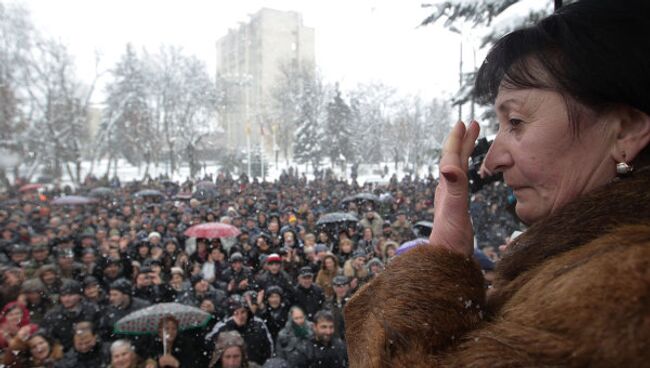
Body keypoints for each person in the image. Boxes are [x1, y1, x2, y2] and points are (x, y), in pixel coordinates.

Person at [344, 1, 650, 366]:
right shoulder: (584, 268)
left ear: (626, 130)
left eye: (517, 121)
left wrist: (440, 266)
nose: (491, 160)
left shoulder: (618, 297)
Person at [206, 297, 273, 366]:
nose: (240, 316)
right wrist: (230, 326)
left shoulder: (258, 325)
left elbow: (268, 349)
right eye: (236, 313)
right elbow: (209, 344)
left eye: (243, 312)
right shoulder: (223, 325)